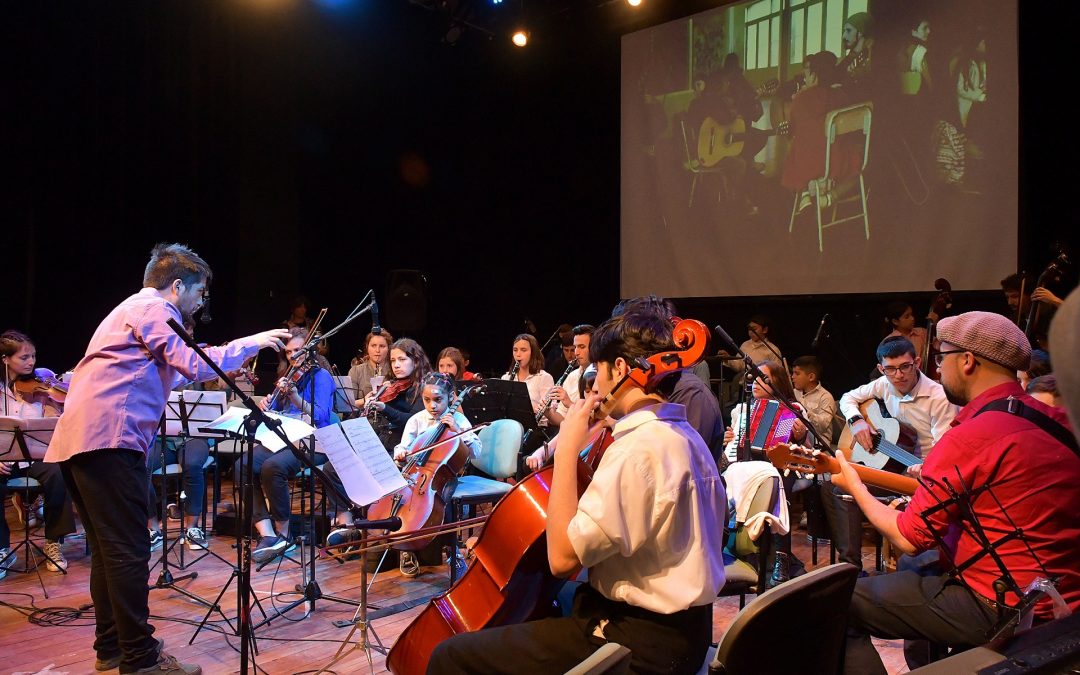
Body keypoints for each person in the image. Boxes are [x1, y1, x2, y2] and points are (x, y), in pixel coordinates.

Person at [427, 309, 727, 674]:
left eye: (598, 370)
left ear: (619, 368)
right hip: (690, 631)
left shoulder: (635, 450)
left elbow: (563, 559)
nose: (596, 384)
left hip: (639, 646)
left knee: (450, 656)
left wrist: (566, 449)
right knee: (550, 598)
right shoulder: (684, 436)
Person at [45, 243, 290, 675]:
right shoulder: (156, 311)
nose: (201, 301)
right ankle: (139, 660)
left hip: (80, 440)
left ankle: (112, 650)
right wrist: (250, 344)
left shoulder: (128, 311)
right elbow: (192, 364)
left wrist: (224, 362)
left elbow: (171, 369)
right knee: (129, 551)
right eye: (200, 292)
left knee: (108, 551)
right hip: (110, 441)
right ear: (178, 285)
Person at [836, 311, 1080, 674]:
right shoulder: (1055, 419)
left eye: (941, 357)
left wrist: (854, 483)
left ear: (967, 361)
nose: (938, 369)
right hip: (1063, 594)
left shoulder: (970, 434)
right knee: (917, 568)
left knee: (838, 606)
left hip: (1006, 602)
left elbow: (909, 536)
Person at [829, 336, 956, 571]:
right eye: (890, 369)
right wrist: (857, 421)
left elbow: (944, 448)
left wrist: (926, 469)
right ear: (881, 368)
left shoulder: (939, 397)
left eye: (905, 367)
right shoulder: (883, 384)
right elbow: (848, 398)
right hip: (892, 465)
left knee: (842, 486)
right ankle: (851, 569)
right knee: (837, 483)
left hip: (921, 474)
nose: (898, 375)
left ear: (916, 362)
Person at [236, 327, 338, 564]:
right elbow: (279, 412)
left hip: (314, 441)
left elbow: (321, 417)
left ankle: (284, 533)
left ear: (310, 351)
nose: (293, 356)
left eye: (298, 351)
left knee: (273, 467)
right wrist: (267, 406)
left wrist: (295, 398)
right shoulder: (287, 374)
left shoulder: (321, 376)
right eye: (289, 352)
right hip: (285, 436)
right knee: (243, 463)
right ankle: (267, 533)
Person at [389, 372, 482, 578]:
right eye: (427, 400)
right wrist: (401, 453)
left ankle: (452, 550)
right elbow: (402, 446)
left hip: (445, 476)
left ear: (450, 397)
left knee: (443, 499)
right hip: (416, 474)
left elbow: (476, 451)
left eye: (438, 400)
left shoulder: (458, 419)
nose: (432, 406)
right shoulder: (417, 420)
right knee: (401, 497)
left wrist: (457, 430)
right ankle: (406, 548)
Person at [1, 330, 76, 578]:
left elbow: (58, 424)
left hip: (36, 457)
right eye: (24, 358)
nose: (31, 362)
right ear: (5, 359)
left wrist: (53, 405)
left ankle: (54, 542)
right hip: (5, 458)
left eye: (33, 356)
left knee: (59, 474)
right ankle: (3, 548)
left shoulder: (41, 388)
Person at [781, 51, 861, 213]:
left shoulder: (801, 98)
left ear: (814, 74)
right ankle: (830, 197)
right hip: (837, 164)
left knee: (794, 148)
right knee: (859, 165)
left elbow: (792, 132)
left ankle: (805, 191)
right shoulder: (841, 96)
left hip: (807, 165)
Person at [146, 436, 211, 552]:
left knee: (193, 466)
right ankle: (153, 529)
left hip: (194, 438)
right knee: (141, 465)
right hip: (161, 440)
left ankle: (192, 528)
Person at [791, 355, 838, 447]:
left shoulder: (825, 397)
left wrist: (804, 410)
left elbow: (822, 427)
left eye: (797, 374)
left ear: (811, 377)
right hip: (798, 438)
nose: (792, 377)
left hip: (818, 443)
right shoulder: (794, 392)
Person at [347, 328, 393, 401]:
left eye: (382, 346)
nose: (377, 350)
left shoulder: (395, 370)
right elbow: (349, 404)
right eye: (373, 346)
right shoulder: (356, 371)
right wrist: (365, 400)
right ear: (367, 347)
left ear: (388, 348)